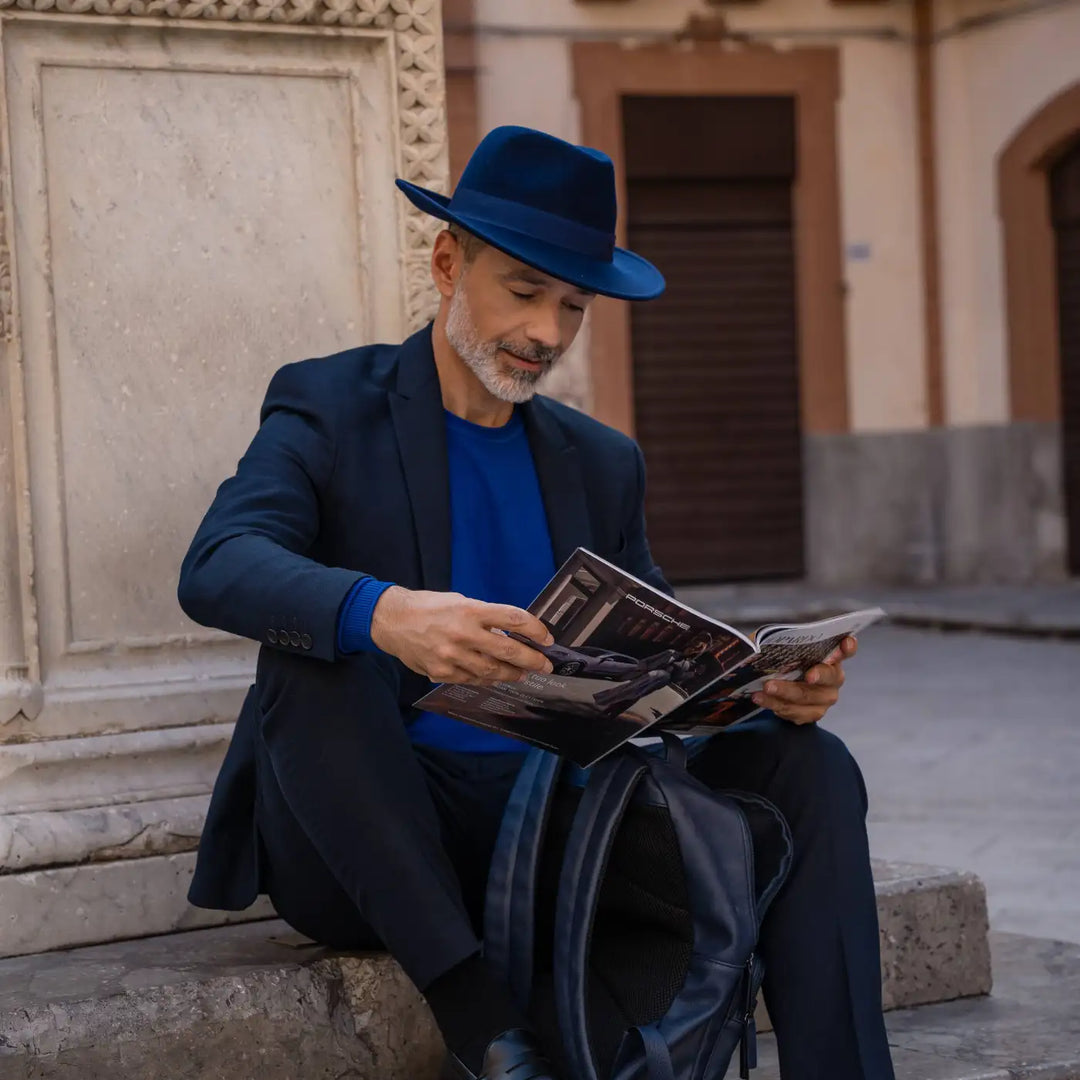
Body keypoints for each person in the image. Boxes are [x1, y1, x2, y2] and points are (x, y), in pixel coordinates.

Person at [178, 125, 896, 1080]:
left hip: (557, 835)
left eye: (573, 305)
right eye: (523, 292)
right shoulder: (328, 407)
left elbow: (659, 668)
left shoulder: (601, 461)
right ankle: (485, 1026)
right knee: (320, 654)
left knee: (814, 766)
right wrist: (389, 613)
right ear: (447, 261)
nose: (547, 335)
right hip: (376, 840)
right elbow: (217, 563)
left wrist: (761, 690)